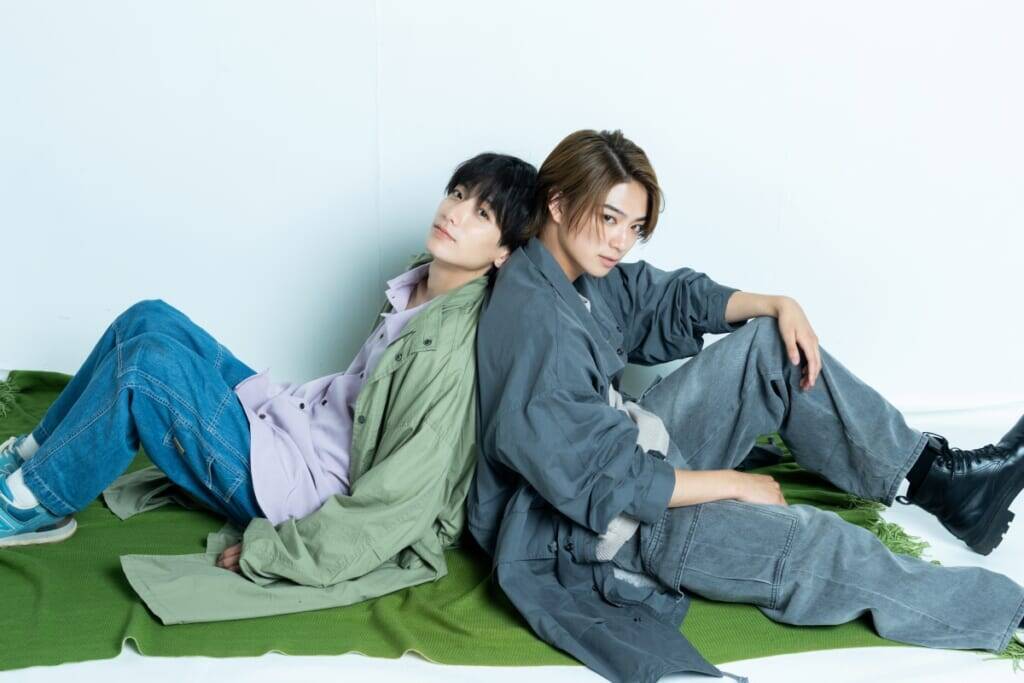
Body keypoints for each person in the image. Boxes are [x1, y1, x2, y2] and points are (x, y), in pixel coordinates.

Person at [468, 129, 1024, 683]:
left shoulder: (573, 273)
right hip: (596, 532)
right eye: (609, 218)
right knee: (820, 546)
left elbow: (664, 298)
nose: (620, 242)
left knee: (771, 349)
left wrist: (778, 304)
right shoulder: (537, 327)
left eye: (634, 227)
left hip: (635, 446)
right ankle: (1010, 614)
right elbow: (610, 484)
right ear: (558, 203)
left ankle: (938, 479)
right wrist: (734, 485)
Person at [0, 150, 538, 606]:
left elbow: (403, 502)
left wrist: (277, 553)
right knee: (147, 319)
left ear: (502, 252)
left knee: (146, 368)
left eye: (482, 213)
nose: (455, 213)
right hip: (289, 422)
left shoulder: (447, 353)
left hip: (294, 488)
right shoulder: (418, 284)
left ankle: (35, 504)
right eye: (458, 193)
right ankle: (34, 454)